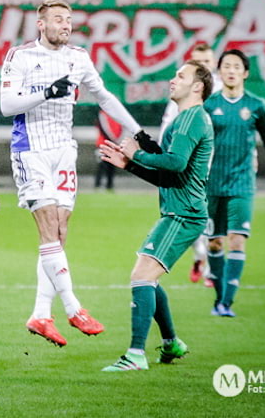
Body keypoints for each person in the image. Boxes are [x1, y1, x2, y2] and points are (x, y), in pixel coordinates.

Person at [0, 0, 158, 347]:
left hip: (63, 150)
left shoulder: (78, 57)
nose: (65, 25)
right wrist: (46, 92)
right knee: (48, 229)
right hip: (32, 149)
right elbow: (7, 105)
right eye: (58, 19)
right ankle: (72, 307)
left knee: (60, 231)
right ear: (41, 24)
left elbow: (104, 97)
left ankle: (41, 313)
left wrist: (138, 131)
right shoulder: (20, 56)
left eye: (69, 19)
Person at [98, 59, 214, 372]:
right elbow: (170, 177)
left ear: (198, 87)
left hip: (184, 214)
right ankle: (170, 343)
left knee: (141, 276)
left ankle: (136, 355)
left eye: (181, 76)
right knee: (148, 277)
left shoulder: (191, 118)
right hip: (179, 211)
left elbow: (175, 163)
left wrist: (138, 154)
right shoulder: (184, 119)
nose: (173, 80)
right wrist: (131, 165)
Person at [204, 49, 265, 317]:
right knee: (215, 244)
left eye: (236, 67)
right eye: (226, 66)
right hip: (212, 184)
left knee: (237, 240)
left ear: (245, 73)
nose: (231, 70)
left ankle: (226, 303)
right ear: (219, 71)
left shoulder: (256, 105)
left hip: (242, 183)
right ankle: (219, 298)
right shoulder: (208, 104)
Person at [159, 43, 220, 285]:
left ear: (213, 63)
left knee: (214, 220)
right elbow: (167, 126)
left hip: (219, 166)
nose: (203, 65)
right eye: (198, 61)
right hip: (191, 167)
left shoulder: (223, 91)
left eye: (206, 61)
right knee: (194, 214)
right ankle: (200, 256)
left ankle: (211, 264)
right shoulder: (182, 95)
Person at [94, 111, 120, 191]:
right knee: (102, 165)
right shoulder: (102, 114)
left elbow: (119, 129)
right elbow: (104, 129)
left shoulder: (117, 115)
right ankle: (98, 185)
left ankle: (109, 185)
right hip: (103, 144)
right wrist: (113, 140)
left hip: (113, 144)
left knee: (112, 165)